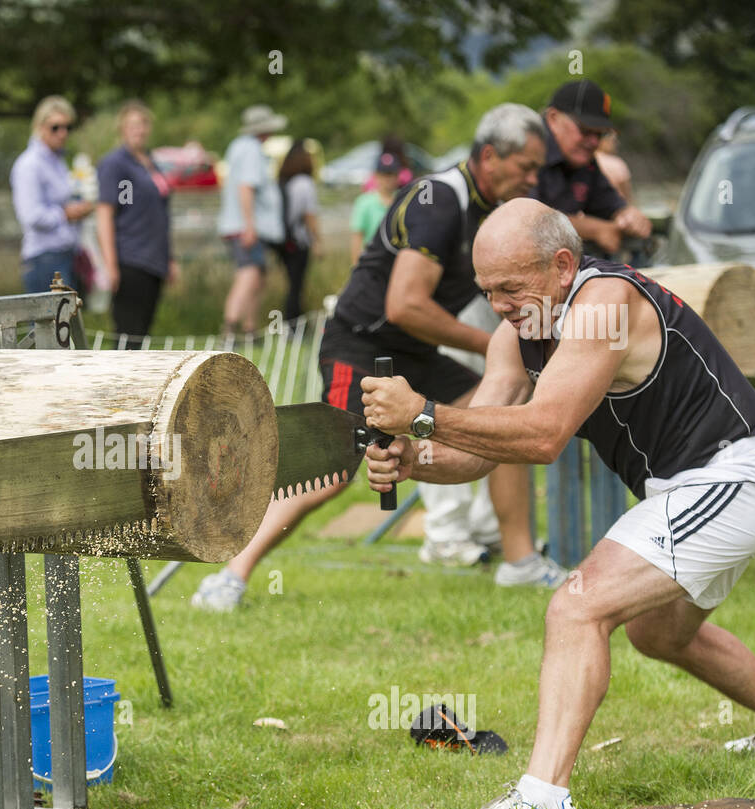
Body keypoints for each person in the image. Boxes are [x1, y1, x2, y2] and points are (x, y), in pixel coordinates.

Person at [364, 198, 755, 809]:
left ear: (562, 265)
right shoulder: (516, 335)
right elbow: (481, 450)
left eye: (510, 287)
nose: (498, 304)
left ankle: (542, 796)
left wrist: (421, 412)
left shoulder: (605, 305)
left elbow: (543, 435)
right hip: (684, 487)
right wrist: (415, 458)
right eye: (486, 290)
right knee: (659, 635)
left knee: (578, 604)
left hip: (735, 471)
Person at [192, 103, 560, 612]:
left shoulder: (491, 207)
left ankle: (519, 562)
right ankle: (229, 576)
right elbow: (405, 304)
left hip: (414, 350)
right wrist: (494, 346)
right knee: (337, 468)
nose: (533, 178)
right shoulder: (439, 201)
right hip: (360, 345)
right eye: (527, 166)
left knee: (498, 420)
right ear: (492, 155)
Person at [533, 80, 651, 260]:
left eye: (600, 134)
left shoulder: (584, 161)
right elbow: (528, 219)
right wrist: (595, 230)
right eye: (585, 130)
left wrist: (628, 216)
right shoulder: (528, 151)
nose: (594, 142)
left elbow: (609, 203)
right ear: (553, 119)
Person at [95, 100, 175, 348]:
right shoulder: (116, 164)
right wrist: (110, 265)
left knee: (142, 333)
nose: (138, 130)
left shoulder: (150, 161)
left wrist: (169, 258)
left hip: (154, 260)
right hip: (130, 257)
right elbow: (105, 213)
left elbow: (160, 213)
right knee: (128, 334)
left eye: (142, 124)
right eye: (132, 125)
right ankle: (120, 386)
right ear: (122, 129)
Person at [12, 96, 94, 295]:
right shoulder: (29, 165)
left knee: (67, 325)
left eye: (67, 127)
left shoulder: (57, 160)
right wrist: (66, 214)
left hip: (67, 254)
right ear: (40, 127)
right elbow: (31, 216)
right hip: (44, 258)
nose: (63, 133)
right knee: (47, 325)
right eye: (55, 127)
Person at [218, 105, 287, 337]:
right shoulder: (250, 150)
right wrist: (249, 225)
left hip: (242, 225)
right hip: (245, 226)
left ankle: (248, 329)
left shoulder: (241, 147)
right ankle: (231, 328)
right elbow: (245, 187)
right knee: (248, 274)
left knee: (257, 275)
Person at [275, 140, 321, 323]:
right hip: (298, 241)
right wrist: (317, 241)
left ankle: (291, 323)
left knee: (291, 285)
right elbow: (310, 216)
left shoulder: (284, 182)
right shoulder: (305, 183)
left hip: (282, 240)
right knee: (297, 286)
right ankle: (293, 325)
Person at [349, 151, 401, 265]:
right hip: (371, 262)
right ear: (376, 175)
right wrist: (356, 268)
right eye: (384, 174)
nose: (388, 179)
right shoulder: (364, 202)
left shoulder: (403, 200)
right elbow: (357, 238)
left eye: (392, 174)